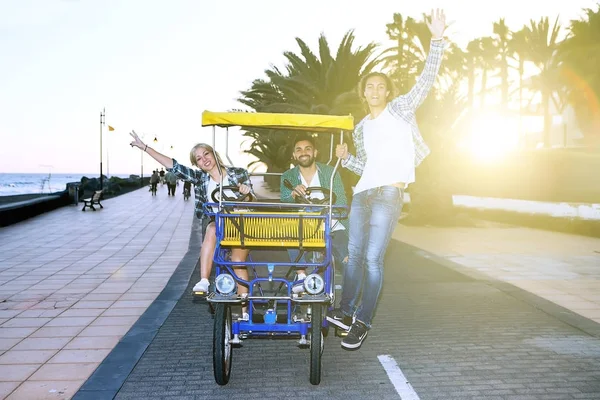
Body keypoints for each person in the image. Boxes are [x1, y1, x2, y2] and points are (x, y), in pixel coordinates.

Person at [331, 9, 447, 350]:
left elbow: (426, 80)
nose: (376, 90)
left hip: (388, 194)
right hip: (362, 193)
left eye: (381, 86)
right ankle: (345, 310)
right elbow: (365, 165)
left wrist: (436, 39)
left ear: (387, 92)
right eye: (370, 86)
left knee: (372, 260)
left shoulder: (400, 109)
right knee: (353, 255)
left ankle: (362, 322)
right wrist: (345, 158)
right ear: (363, 93)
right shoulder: (362, 127)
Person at [129, 131, 253, 318]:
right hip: (219, 226)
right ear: (197, 165)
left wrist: (246, 192)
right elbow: (173, 166)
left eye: (206, 154)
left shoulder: (238, 173)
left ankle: (245, 313)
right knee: (212, 227)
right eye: (199, 159)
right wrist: (145, 148)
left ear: (214, 154)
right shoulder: (201, 179)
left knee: (237, 262)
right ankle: (204, 280)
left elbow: (252, 200)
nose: (204, 160)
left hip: (242, 225)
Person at [280, 134, 349, 294]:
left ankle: (347, 305)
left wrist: (326, 209)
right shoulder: (287, 177)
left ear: (315, 152)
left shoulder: (330, 173)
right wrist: (293, 196)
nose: (303, 152)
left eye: (307, 148)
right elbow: (284, 204)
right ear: (294, 155)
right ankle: (301, 275)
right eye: (299, 150)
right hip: (301, 226)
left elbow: (342, 201)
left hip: (330, 224)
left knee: (348, 261)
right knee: (289, 231)